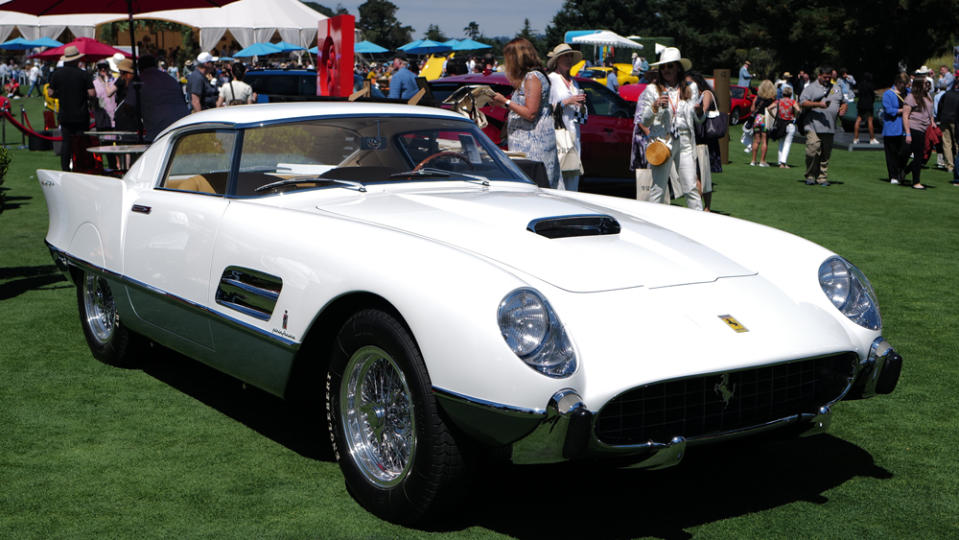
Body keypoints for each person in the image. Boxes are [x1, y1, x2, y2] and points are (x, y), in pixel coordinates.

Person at [637, 47, 703, 210]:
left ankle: (701, 224)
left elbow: (696, 118)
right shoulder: (652, 89)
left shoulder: (690, 88)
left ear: (678, 68)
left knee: (691, 187)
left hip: (685, 140)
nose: (666, 70)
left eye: (670, 66)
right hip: (663, 141)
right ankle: (652, 226)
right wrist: (655, 106)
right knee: (658, 188)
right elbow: (644, 121)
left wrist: (699, 111)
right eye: (663, 67)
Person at [490, 38, 560, 189]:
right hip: (525, 143)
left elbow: (530, 113)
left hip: (534, 145)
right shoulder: (528, 78)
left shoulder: (532, 77)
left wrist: (506, 102)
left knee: (536, 185)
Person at [47, 45, 95, 171]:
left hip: (65, 114)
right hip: (80, 114)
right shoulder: (83, 74)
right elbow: (92, 93)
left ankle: (65, 168)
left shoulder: (57, 74)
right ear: (77, 60)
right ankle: (81, 166)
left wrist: (60, 94)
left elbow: (50, 92)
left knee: (66, 143)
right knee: (81, 142)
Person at [547, 43, 587, 191]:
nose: (569, 59)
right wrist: (567, 101)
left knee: (573, 180)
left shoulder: (574, 82)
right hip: (557, 135)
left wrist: (582, 107)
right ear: (557, 60)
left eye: (570, 56)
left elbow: (581, 117)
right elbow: (546, 108)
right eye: (565, 56)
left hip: (574, 136)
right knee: (559, 182)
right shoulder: (551, 79)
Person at [799, 65, 846, 186]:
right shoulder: (810, 88)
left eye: (829, 77)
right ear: (819, 76)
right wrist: (818, 104)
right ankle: (810, 175)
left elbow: (844, 102)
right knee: (812, 150)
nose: (827, 79)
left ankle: (822, 178)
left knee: (825, 154)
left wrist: (843, 109)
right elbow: (802, 102)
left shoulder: (836, 88)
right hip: (812, 125)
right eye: (825, 77)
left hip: (829, 126)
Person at [127, 55, 189, 142]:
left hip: (159, 131)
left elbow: (129, 108)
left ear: (139, 67)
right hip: (182, 124)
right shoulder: (170, 78)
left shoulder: (138, 81)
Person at [688, 71, 719, 211]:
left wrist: (697, 108)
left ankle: (703, 208)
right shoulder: (694, 96)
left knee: (702, 175)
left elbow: (703, 112)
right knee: (700, 175)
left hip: (704, 140)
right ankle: (704, 207)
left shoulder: (706, 94)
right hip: (697, 139)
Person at [902, 76, 933, 190]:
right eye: (926, 83)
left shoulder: (928, 96)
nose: (928, 85)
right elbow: (905, 115)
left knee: (921, 157)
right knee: (919, 156)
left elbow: (929, 112)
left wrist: (932, 122)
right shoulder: (911, 97)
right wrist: (908, 133)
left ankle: (904, 171)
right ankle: (916, 182)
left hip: (925, 128)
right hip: (915, 128)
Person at [881, 72, 910, 184]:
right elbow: (888, 110)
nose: (905, 86)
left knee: (905, 151)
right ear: (898, 82)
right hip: (892, 128)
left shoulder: (908, 92)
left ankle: (901, 172)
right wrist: (903, 111)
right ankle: (893, 175)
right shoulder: (888, 94)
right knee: (891, 153)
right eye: (903, 83)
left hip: (905, 128)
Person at [772, 85, 800, 168]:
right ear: (790, 93)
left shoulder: (779, 101)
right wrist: (795, 116)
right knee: (787, 144)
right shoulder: (792, 101)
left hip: (780, 123)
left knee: (781, 143)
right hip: (789, 123)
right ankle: (783, 162)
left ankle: (780, 162)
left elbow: (769, 108)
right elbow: (798, 110)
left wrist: (775, 116)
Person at [749, 80, 776, 166]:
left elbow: (752, 109)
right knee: (764, 140)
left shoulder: (757, 97)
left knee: (756, 140)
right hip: (765, 119)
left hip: (757, 119)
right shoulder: (772, 99)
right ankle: (762, 161)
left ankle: (753, 160)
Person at [937, 77, 959, 177]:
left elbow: (940, 107)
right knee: (956, 143)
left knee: (947, 143)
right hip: (955, 120)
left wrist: (939, 118)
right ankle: (956, 165)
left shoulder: (946, 94)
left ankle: (950, 165)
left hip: (944, 119)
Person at [853, 72, 877, 144]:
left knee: (858, 120)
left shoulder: (860, 85)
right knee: (870, 121)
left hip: (860, 104)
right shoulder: (870, 85)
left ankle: (855, 138)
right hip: (868, 105)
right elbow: (873, 95)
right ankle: (872, 138)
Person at [91, 61, 117, 130]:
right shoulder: (94, 83)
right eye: (100, 67)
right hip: (101, 119)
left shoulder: (115, 81)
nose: (103, 69)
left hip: (115, 118)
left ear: (108, 68)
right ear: (98, 69)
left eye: (105, 67)